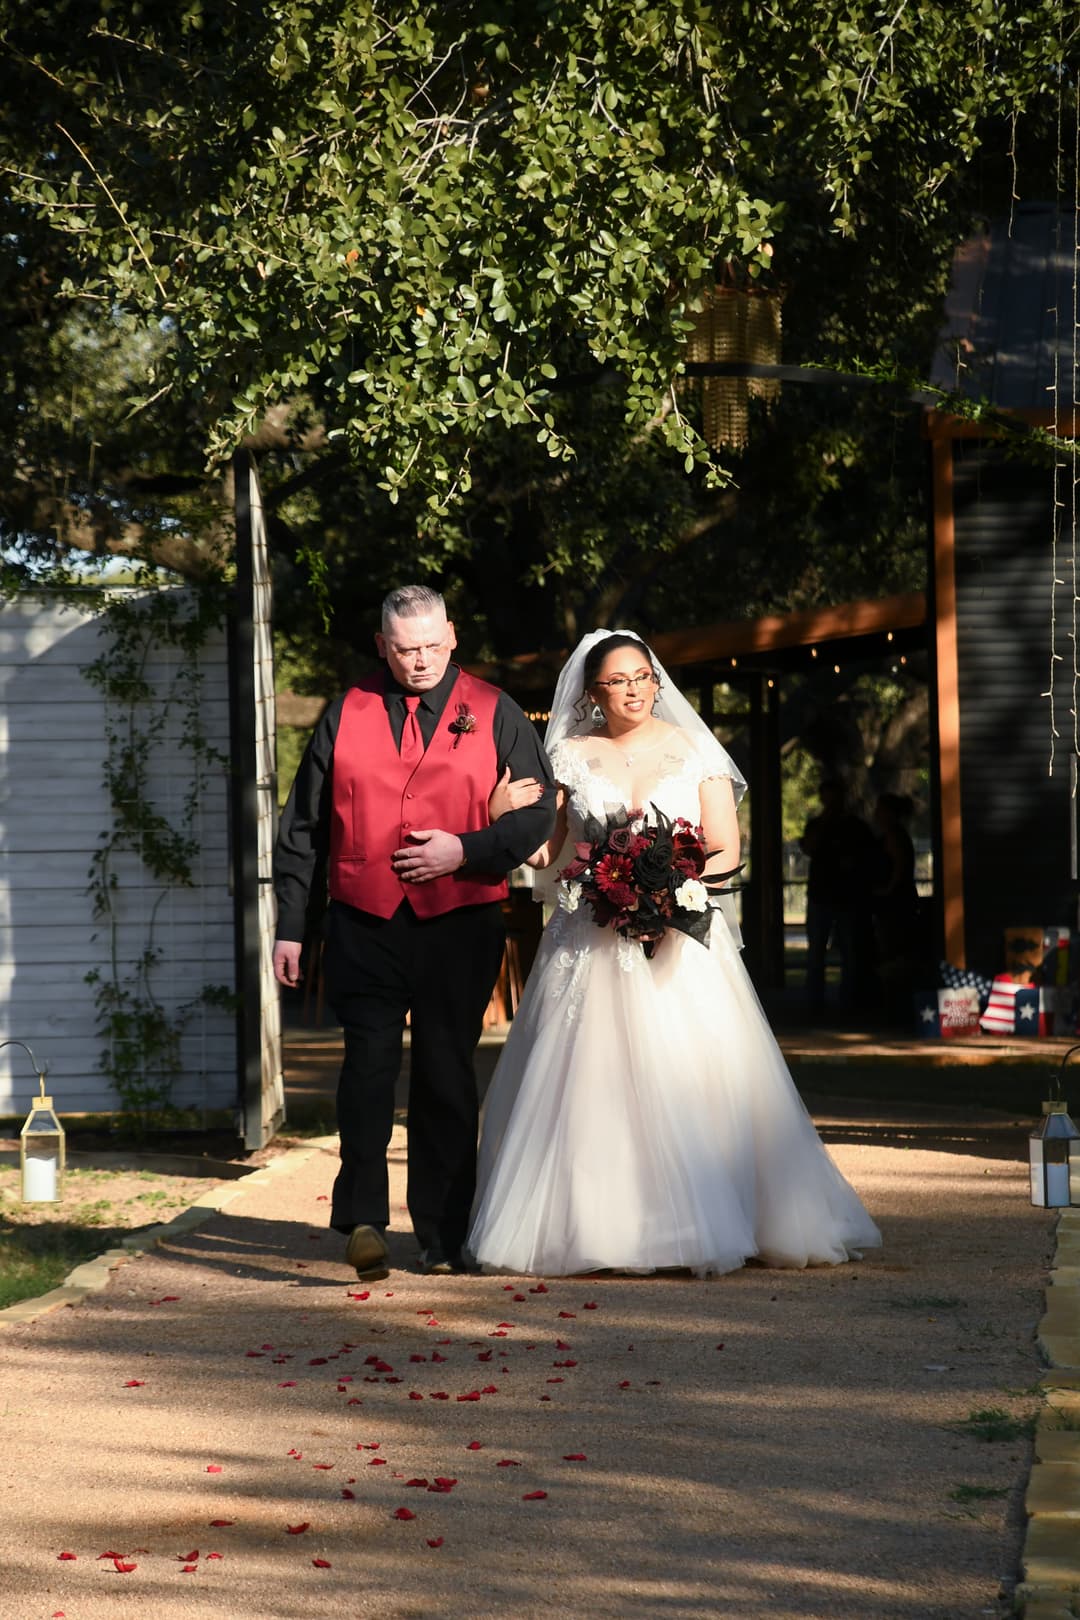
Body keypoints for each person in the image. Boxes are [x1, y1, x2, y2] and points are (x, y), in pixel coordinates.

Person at [465, 631, 881, 1277]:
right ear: (592, 692)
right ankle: (597, 1225)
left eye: (642, 677)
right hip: (590, 935)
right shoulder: (568, 755)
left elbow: (725, 846)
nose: (631, 691)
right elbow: (547, 853)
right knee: (588, 1081)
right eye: (615, 682)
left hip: (681, 934)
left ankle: (714, 1217)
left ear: (657, 681)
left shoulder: (694, 749)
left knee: (696, 1071)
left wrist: (670, 890)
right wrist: (501, 816)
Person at [272, 585, 556, 1280]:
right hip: (364, 923)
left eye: (432, 646)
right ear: (382, 646)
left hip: (460, 923)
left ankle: (444, 1231)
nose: (421, 660)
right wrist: (290, 928)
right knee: (366, 1070)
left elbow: (538, 813)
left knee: (445, 1074)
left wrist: (467, 849)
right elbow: (303, 829)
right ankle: (364, 1221)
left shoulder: (495, 710)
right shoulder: (345, 711)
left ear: (452, 636)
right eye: (405, 650)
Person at [799, 778, 878, 1019]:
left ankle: (849, 1003)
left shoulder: (855, 827)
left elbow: (867, 856)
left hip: (846, 897)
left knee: (850, 953)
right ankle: (815, 1004)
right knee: (816, 953)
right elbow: (809, 847)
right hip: (821, 896)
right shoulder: (816, 825)